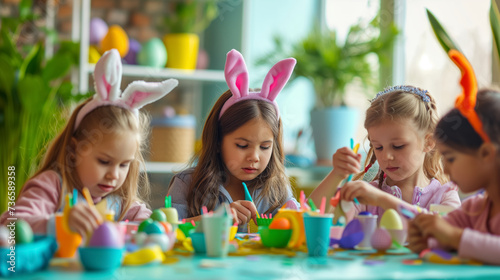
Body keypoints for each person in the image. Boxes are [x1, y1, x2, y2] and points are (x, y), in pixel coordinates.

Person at [0, 49, 178, 237]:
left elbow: (148, 224)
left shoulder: (121, 203)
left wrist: (157, 228)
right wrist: (61, 223)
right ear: (74, 150)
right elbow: (11, 224)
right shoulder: (52, 186)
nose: (113, 175)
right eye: (104, 161)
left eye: (124, 164)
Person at [168, 49, 299, 230]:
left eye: (265, 147)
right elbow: (166, 229)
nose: (254, 156)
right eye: (242, 145)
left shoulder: (277, 188)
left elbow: (298, 232)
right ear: (218, 141)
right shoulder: (187, 184)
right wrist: (215, 219)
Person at [309, 85, 461, 219]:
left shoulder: (444, 196)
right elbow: (311, 213)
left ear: (428, 142)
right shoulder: (365, 197)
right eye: (378, 147)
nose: (386, 156)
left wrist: (382, 200)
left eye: (398, 146)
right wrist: (336, 174)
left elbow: (445, 232)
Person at [408, 50, 500, 265]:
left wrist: (454, 237)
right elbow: (443, 236)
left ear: (486, 153)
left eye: (450, 158)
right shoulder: (473, 210)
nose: (446, 170)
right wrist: (426, 238)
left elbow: (454, 237)